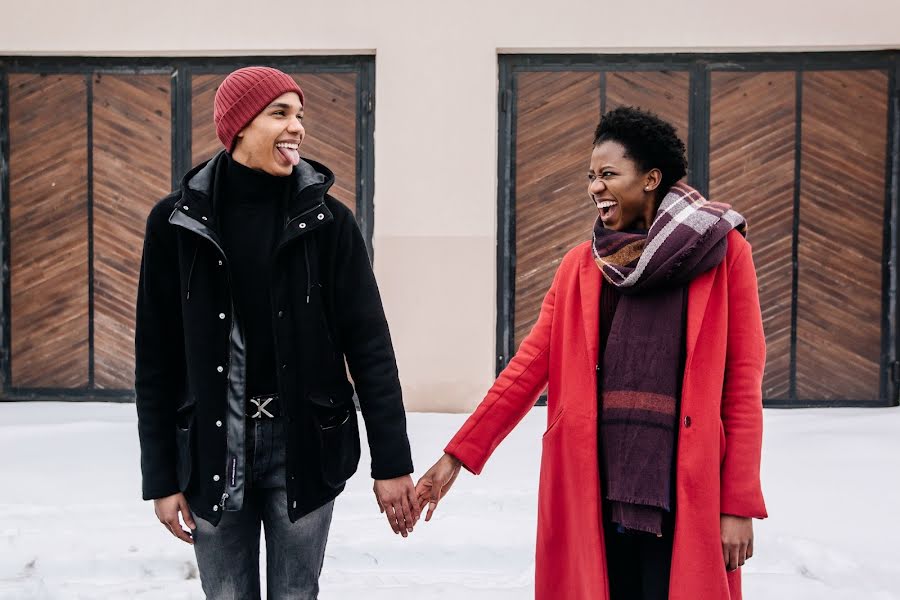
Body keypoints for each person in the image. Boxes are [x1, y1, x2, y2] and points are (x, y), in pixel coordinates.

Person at [416, 106, 767, 600]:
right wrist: (457, 455)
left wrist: (738, 505)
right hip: (594, 492)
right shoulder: (582, 266)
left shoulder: (723, 255)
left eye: (608, 174)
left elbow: (742, 386)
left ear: (650, 178)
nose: (594, 187)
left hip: (687, 493)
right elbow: (525, 371)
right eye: (590, 177)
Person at [135, 66, 418, 600]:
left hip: (305, 444)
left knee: (296, 594)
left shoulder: (329, 222)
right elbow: (155, 358)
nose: (297, 128)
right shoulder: (173, 223)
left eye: (300, 115)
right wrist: (161, 477)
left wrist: (393, 462)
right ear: (239, 126)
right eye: (280, 113)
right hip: (214, 446)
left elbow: (370, 346)